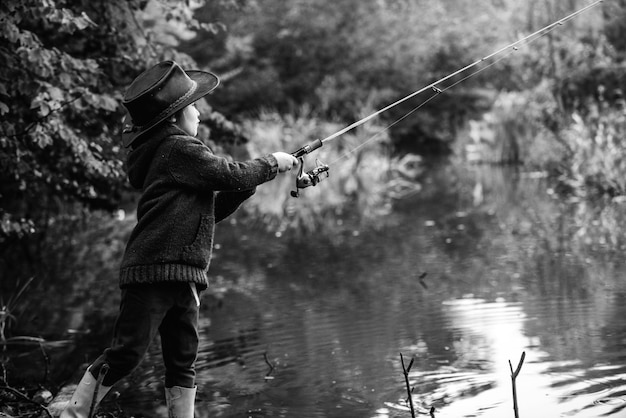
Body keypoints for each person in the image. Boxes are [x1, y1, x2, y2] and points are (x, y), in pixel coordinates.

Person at [61, 60, 298, 418]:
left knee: (183, 359)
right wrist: (271, 164)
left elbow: (209, 213)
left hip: (184, 275)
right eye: (193, 107)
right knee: (126, 352)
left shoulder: (179, 157)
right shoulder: (177, 148)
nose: (199, 113)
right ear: (174, 118)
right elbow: (227, 172)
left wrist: (247, 183)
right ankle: (72, 414)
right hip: (152, 272)